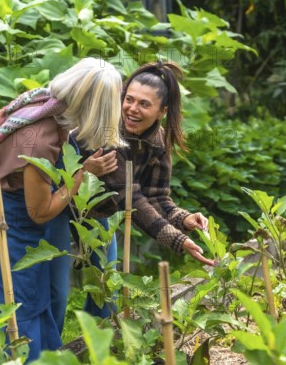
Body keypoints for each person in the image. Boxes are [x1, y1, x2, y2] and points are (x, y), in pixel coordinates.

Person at [0, 58, 124, 360]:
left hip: (18, 207)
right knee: (13, 305)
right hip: (6, 219)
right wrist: (85, 173)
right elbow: (39, 212)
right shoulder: (40, 139)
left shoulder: (51, 104)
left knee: (34, 298)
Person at [76, 60, 216, 317]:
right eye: (129, 99)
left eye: (144, 104)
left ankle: (96, 350)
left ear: (162, 111)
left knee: (106, 295)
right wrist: (177, 240)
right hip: (62, 208)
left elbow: (157, 197)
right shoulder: (108, 128)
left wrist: (185, 219)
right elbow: (128, 195)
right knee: (52, 293)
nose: (132, 109)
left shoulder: (158, 141)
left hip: (95, 217)